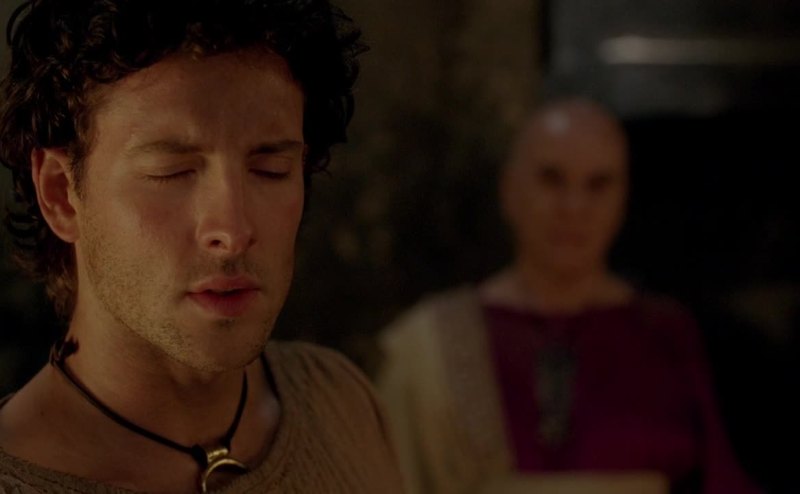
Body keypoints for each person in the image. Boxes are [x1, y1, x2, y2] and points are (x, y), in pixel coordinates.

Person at [0, 0, 403, 492]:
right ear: (61, 194)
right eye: (171, 173)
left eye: (270, 170)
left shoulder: (339, 403)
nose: (232, 231)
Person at [377, 97, 760, 494]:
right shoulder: (426, 343)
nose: (574, 208)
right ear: (510, 190)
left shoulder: (666, 333)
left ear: (622, 199)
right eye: (552, 180)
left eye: (598, 185)